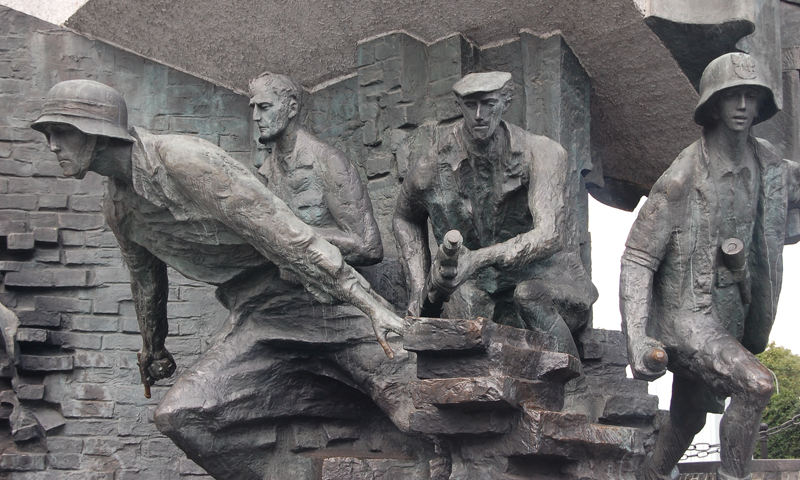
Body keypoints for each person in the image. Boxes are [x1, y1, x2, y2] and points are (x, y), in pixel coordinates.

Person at [31, 79, 415, 479]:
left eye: (61, 132)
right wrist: (152, 348)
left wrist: (368, 304)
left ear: (96, 131)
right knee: (182, 416)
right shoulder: (118, 208)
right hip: (257, 313)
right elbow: (146, 282)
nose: (53, 145)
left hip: (318, 297)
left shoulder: (183, 160)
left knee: (415, 400)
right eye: (49, 135)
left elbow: (283, 232)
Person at [620, 52, 799, 480]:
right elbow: (638, 259)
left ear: (761, 105)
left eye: (751, 96)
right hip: (687, 316)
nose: (741, 105)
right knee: (755, 385)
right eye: (731, 96)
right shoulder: (680, 180)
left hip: (733, 314)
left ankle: (650, 474)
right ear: (713, 105)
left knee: (688, 419)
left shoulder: (770, 162)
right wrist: (637, 338)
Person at [393, 71, 598, 358]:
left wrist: (477, 259)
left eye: (488, 104)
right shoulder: (433, 163)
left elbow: (549, 235)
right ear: (458, 106)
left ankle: (575, 388)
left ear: (505, 102)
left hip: (547, 282)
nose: (478, 115)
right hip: (480, 289)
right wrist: (417, 288)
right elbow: (404, 217)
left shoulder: (543, 152)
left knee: (529, 296)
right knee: (464, 342)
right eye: (469, 105)